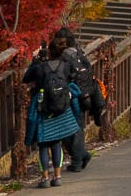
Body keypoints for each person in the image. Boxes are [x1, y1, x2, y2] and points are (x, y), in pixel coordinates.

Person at [24, 40, 81, 188]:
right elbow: (73, 76)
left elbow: (26, 78)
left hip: (43, 110)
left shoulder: (40, 68)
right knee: (56, 143)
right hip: (60, 109)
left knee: (43, 145)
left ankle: (45, 179)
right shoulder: (65, 66)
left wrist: (35, 60)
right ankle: (57, 176)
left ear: (48, 52)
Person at [52, 28, 93, 173]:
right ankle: (81, 156)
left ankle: (78, 159)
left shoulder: (64, 57)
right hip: (83, 95)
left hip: (69, 97)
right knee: (77, 128)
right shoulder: (79, 52)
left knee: (70, 129)